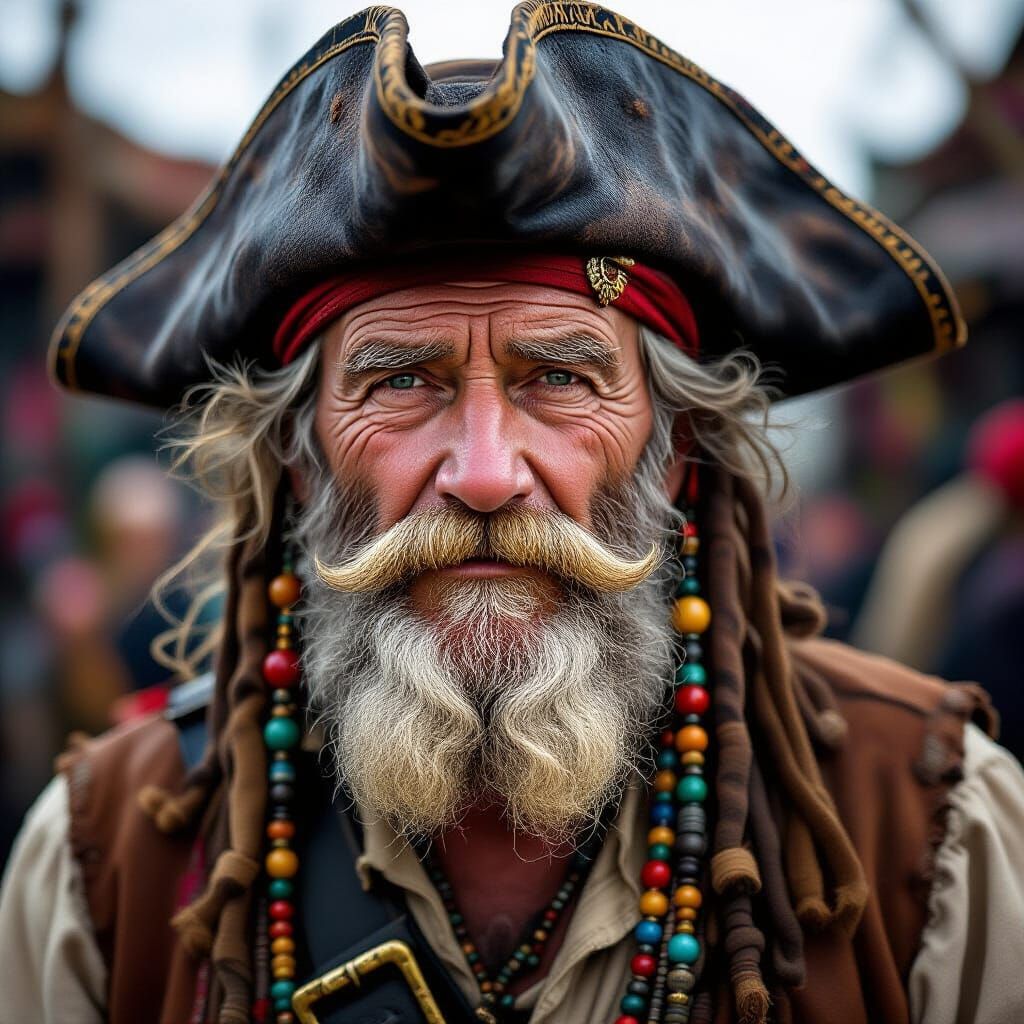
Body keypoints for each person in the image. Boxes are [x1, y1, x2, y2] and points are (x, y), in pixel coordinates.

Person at [2, 6, 1023, 1024]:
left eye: (561, 377)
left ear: (672, 450)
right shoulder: (102, 865)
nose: (485, 475)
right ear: (297, 458)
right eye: (401, 380)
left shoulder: (930, 834)